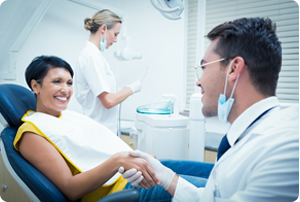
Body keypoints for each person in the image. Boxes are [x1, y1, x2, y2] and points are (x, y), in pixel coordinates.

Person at [119, 17, 299, 201]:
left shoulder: (284, 150)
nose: (198, 81)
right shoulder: (246, 134)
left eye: (204, 67)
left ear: (233, 68)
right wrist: (165, 177)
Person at [14, 55, 214, 202]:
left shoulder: (67, 116)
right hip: (122, 190)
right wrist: (118, 160)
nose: (65, 90)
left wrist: (135, 156)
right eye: (56, 82)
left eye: (69, 83)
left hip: (131, 171)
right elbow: (69, 189)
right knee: (213, 192)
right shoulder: (31, 133)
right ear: (35, 86)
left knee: (214, 173)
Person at [75, 9, 142, 134]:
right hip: (99, 130)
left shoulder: (94, 55)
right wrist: (132, 89)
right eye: (115, 34)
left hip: (102, 128)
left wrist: (120, 90)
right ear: (103, 29)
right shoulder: (92, 57)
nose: (116, 40)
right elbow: (108, 101)